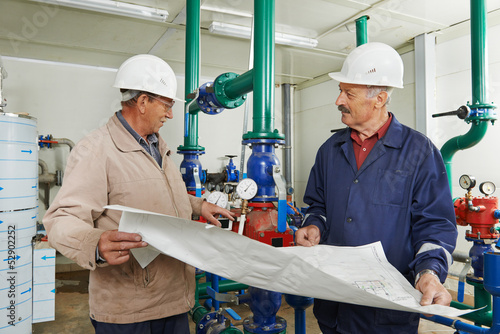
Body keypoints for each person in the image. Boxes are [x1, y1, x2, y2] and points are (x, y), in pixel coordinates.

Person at [43, 54, 234, 334]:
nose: (170, 114)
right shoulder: (96, 150)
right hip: (130, 311)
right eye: (167, 105)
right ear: (143, 102)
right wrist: (94, 243)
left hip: (175, 299)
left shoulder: (158, 147)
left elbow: (158, 191)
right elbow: (61, 218)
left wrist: (197, 205)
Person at [295, 42, 458, 334]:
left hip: (385, 311)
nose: (338, 100)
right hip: (332, 303)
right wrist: (314, 224)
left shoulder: (419, 153)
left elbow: (435, 224)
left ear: (379, 99)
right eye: (340, 90)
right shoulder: (330, 150)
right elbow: (316, 204)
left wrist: (430, 273)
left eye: (349, 93)